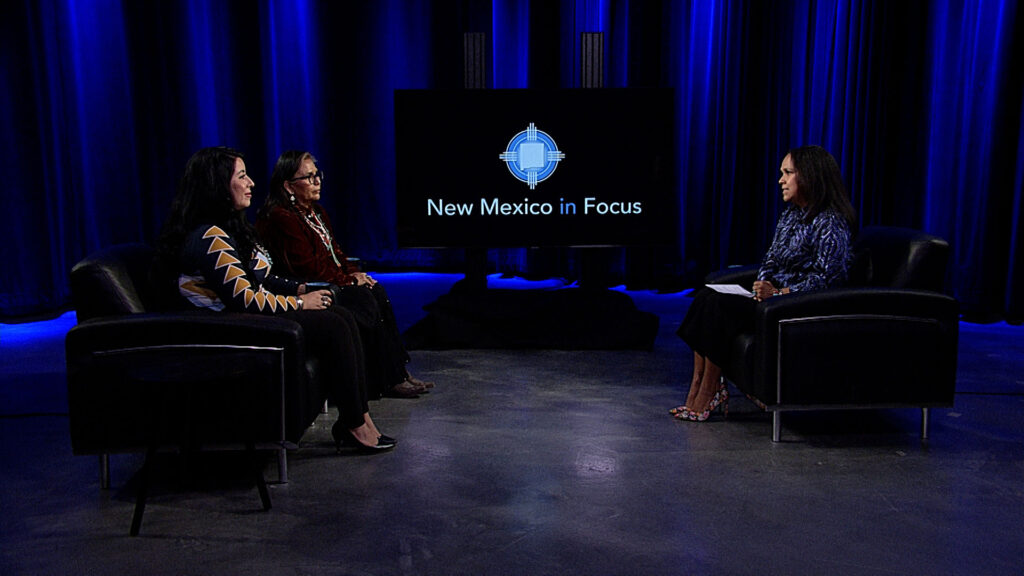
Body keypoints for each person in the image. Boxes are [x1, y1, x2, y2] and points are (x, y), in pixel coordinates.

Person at [155, 146, 395, 451]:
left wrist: (300, 289)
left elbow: (261, 278)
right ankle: (356, 426)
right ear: (218, 185)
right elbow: (244, 299)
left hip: (241, 319)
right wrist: (299, 304)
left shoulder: (229, 229)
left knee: (342, 314)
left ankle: (359, 419)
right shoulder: (209, 238)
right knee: (333, 325)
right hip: (226, 328)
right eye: (242, 176)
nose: (251, 182)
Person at [672, 145, 857, 422]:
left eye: (788, 173)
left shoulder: (830, 221)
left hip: (794, 306)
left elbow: (830, 279)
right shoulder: (792, 214)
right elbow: (771, 258)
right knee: (706, 297)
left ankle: (708, 392)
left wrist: (781, 292)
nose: (781, 180)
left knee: (720, 308)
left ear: (810, 176)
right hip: (771, 300)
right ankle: (698, 387)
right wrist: (762, 282)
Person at [255, 150, 433, 399]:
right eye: (309, 177)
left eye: (318, 175)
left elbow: (337, 255)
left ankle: (396, 371)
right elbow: (308, 267)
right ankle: (385, 377)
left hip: (330, 278)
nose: (317, 181)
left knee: (375, 289)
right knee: (363, 298)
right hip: (305, 284)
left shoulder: (316, 212)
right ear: (288, 186)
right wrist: (349, 281)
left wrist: (356, 273)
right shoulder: (281, 218)